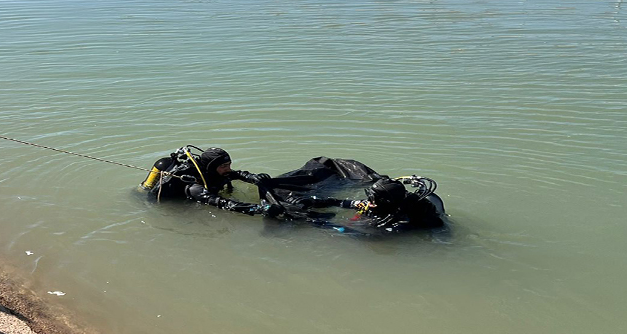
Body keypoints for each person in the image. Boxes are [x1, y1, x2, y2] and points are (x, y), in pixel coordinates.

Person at [259, 157, 447, 235]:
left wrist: (319, 223)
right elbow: (351, 203)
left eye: (373, 199)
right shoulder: (384, 203)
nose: (369, 202)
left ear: (386, 202)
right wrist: (319, 201)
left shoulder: (397, 221)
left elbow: (359, 235)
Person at [141, 145, 285, 216]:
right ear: (212, 167)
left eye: (229, 164)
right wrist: (259, 209)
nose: (228, 168)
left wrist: (254, 177)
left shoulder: (217, 172)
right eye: (224, 166)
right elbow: (223, 204)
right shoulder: (195, 187)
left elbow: (236, 174)